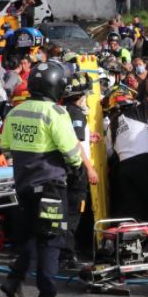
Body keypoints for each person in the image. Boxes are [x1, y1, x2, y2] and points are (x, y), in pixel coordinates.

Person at [0, 61, 82, 297]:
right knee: (51, 241)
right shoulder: (56, 113)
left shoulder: (15, 112)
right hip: (50, 187)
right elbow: (72, 154)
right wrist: (76, 165)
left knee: (33, 236)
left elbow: (5, 147)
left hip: (23, 185)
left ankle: (14, 279)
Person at [105, 86, 148, 224]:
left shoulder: (111, 126)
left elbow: (109, 152)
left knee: (133, 211)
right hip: (145, 164)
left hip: (124, 169)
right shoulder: (135, 112)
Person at [59, 70, 99, 267]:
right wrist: (90, 168)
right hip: (76, 170)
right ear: (80, 96)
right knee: (73, 213)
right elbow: (74, 142)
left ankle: (63, 252)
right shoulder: (76, 113)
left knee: (64, 212)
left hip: (61, 168)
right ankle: (67, 255)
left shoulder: (61, 111)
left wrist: (88, 136)